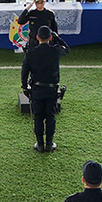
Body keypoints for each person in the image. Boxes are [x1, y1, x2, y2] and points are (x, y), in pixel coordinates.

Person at [21, 23, 69, 152]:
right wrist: (57, 37)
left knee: (38, 116)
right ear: (49, 38)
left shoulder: (31, 53)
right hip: (51, 89)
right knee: (50, 116)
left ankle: (40, 144)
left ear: (37, 37)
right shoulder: (55, 50)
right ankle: (49, 143)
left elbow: (24, 71)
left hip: (37, 89)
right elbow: (67, 48)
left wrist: (25, 88)